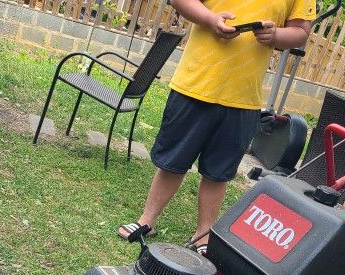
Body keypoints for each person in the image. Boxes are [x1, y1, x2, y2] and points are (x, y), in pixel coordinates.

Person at [118, 0, 316, 251]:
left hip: (243, 98)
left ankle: (203, 233)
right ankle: (147, 220)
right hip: (195, 85)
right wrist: (210, 19)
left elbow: (300, 32)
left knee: (218, 172)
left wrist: (276, 34)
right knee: (173, 161)